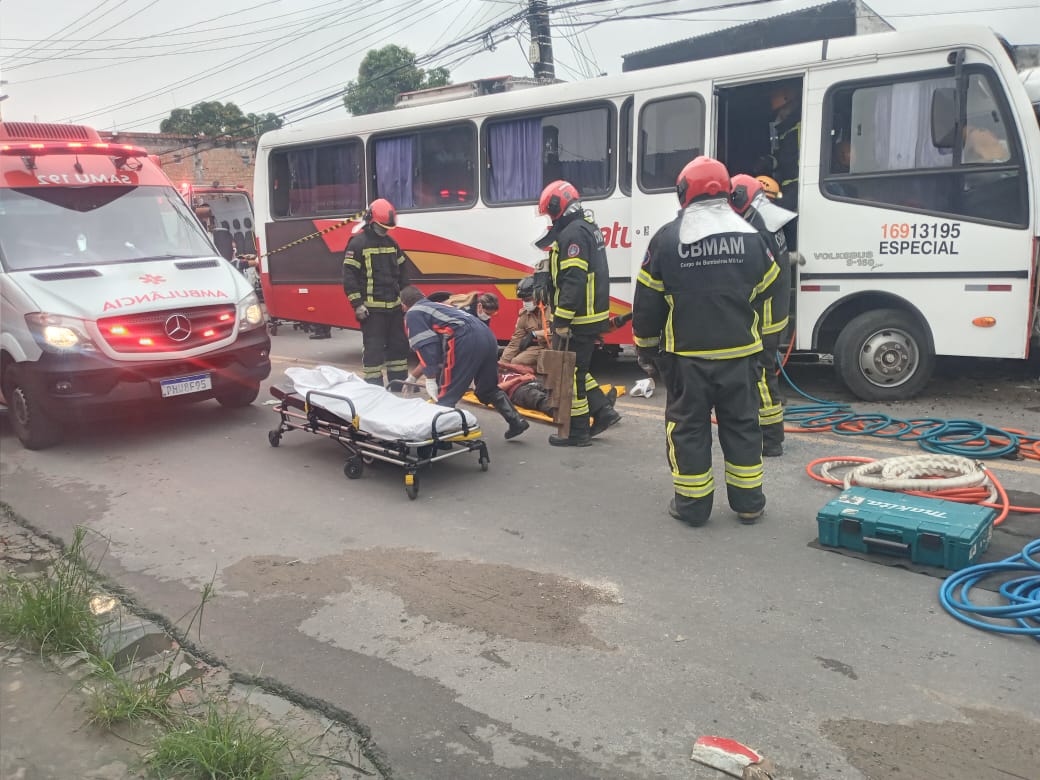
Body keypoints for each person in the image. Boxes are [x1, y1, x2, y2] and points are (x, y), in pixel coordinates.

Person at [632, 156, 780, 527]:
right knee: (743, 426)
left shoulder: (666, 239)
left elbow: (647, 303)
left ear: (684, 192)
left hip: (687, 358)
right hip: (741, 355)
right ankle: (749, 504)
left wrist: (647, 350)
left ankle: (693, 507)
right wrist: (762, 339)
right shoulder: (752, 238)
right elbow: (769, 289)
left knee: (688, 430)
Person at [534, 180, 621, 446]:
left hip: (578, 319)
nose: (550, 217)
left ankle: (578, 432)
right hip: (589, 316)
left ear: (557, 206)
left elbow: (573, 279)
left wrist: (562, 319)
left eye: (550, 212)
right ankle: (604, 412)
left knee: (568, 375)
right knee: (579, 371)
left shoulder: (572, 233)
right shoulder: (587, 228)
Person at [400, 286, 529, 440]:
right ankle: (516, 421)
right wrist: (415, 376)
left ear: (403, 305)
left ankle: (442, 438)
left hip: (465, 338)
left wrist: (429, 377)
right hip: (488, 337)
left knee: (446, 394)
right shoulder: (439, 306)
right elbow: (437, 348)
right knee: (487, 388)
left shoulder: (413, 313)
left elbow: (426, 346)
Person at [730, 173, 797, 457]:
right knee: (763, 374)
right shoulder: (769, 219)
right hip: (775, 314)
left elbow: (753, 277)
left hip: (764, 318)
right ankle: (766, 433)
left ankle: (771, 440)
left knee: (761, 377)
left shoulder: (756, 227)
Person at [342, 198, 411, 381]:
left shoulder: (391, 243)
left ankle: (399, 385)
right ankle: (374, 388)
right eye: (382, 227)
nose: (385, 230)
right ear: (371, 221)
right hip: (372, 311)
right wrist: (357, 305)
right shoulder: (357, 244)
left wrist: (405, 299)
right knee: (374, 349)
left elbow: (404, 273)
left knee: (399, 347)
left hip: (394, 308)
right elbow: (349, 277)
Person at [757, 84, 801, 248]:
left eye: (780, 112)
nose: (779, 117)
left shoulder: (798, 128)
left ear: (791, 105)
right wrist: (768, 161)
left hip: (796, 187)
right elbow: (783, 159)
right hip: (789, 187)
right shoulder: (787, 131)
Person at [500, 276, 548, 367]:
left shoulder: (550, 309)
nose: (525, 302)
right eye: (523, 300)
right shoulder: (524, 314)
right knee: (516, 362)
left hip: (558, 348)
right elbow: (515, 342)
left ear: (538, 295)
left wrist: (534, 334)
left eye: (528, 299)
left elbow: (555, 331)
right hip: (540, 347)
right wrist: (502, 364)